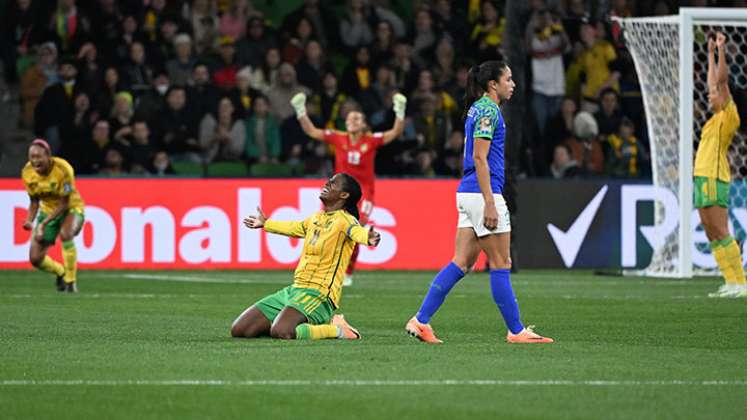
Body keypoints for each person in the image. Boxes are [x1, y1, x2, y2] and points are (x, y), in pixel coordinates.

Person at [404, 61, 553, 344]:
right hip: (482, 193)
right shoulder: (487, 110)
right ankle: (516, 331)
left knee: (462, 262)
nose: (513, 84)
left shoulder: (478, 108)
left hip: (467, 193)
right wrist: (490, 202)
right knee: (501, 262)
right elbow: (479, 157)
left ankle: (420, 320)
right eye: (508, 79)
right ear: (493, 84)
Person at [230, 173, 380, 340]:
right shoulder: (316, 218)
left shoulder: (346, 221)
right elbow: (296, 227)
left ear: (344, 195)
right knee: (241, 330)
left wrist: (368, 237)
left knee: (282, 331)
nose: (327, 184)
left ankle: (337, 329)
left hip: (319, 294)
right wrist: (266, 224)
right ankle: (291, 321)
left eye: (333, 183)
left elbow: (357, 232)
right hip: (295, 290)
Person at [289, 90, 407, 286]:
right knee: (320, 228)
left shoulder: (370, 140)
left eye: (357, 117)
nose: (352, 119)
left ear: (363, 124)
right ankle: (315, 268)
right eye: (350, 117)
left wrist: (400, 110)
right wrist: (300, 109)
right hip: (336, 195)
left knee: (354, 231)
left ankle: (348, 272)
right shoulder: (338, 137)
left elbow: (395, 132)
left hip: (363, 195)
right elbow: (311, 130)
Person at [696, 33, 746, 298]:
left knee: (721, 229)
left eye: (714, 94)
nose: (709, 95)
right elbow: (711, 82)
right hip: (702, 177)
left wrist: (722, 50)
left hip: (716, 177)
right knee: (709, 230)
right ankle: (730, 281)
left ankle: (741, 282)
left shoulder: (729, 114)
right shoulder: (712, 119)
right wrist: (710, 53)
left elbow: (721, 81)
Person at [21, 139, 85, 293]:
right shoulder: (27, 173)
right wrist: (30, 220)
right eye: (32, 157)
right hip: (47, 212)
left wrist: (42, 224)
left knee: (66, 233)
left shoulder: (63, 169)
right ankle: (61, 272)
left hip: (71, 208)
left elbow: (63, 203)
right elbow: (34, 202)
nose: (35, 161)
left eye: (38, 156)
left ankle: (70, 282)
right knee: (35, 259)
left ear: (48, 155)